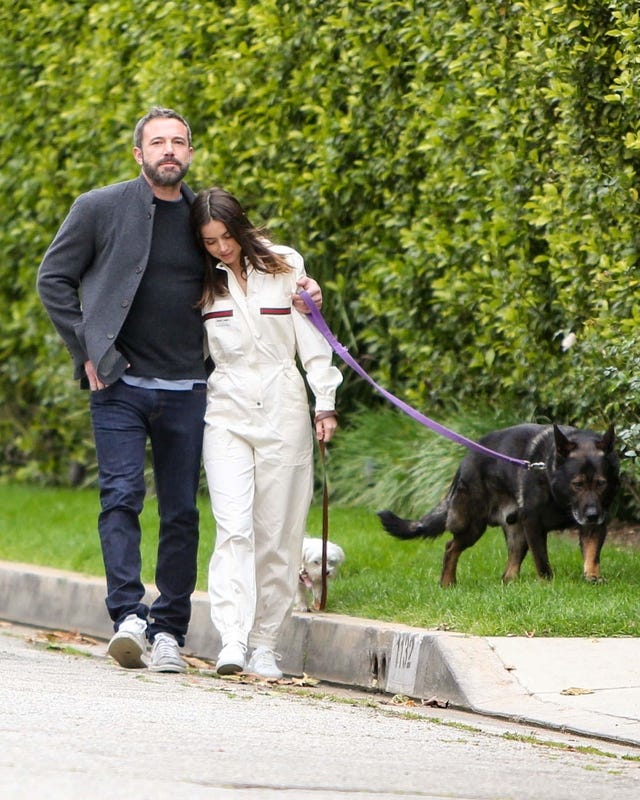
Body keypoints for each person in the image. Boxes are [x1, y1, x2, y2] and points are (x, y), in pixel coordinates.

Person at [37, 107, 323, 674]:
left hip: (191, 388)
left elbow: (246, 256)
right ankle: (127, 619)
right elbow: (54, 279)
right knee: (120, 498)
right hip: (118, 384)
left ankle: (169, 627)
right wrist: (89, 349)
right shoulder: (97, 208)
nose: (169, 150)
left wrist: (302, 286)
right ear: (138, 153)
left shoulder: (200, 221)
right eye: (157, 142)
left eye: (179, 142)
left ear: (189, 153)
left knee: (180, 514)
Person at [191, 186, 342, 679]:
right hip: (226, 407)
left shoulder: (283, 265)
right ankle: (232, 638)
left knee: (278, 533)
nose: (222, 249)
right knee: (233, 526)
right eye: (211, 241)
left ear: (241, 227)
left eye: (228, 237)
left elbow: (312, 337)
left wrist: (325, 402)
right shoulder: (200, 277)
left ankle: (264, 644)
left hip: (284, 406)